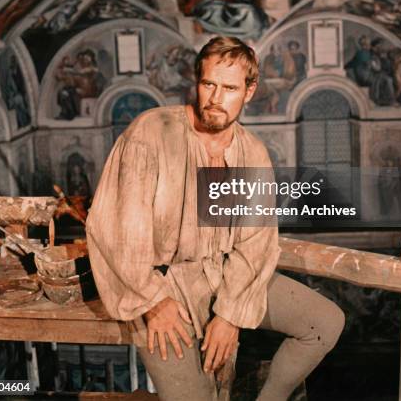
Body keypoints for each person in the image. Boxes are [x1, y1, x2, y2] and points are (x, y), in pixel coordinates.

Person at [86, 36, 344, 400]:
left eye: (229, 88)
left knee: (325, 323)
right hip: (159, 289)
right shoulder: (151, 132)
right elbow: (117, 233)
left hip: (224, 277)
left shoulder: (252, 153)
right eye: (208, 84)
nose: (215, 99)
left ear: (249, 91)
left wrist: (230, 315)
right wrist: (155, 304)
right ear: (197, 82)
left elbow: (255, 243)